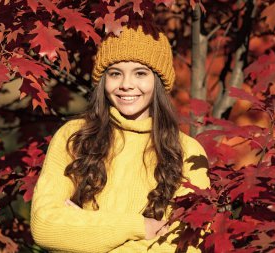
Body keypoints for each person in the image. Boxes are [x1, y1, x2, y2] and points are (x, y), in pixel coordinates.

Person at [30, 23, 210, 253]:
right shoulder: (74, 136)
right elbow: (45, 226)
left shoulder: (188, 152)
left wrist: (84, 234)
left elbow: (186, 246)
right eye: (115, 73)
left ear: (158, 80)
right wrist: (139, 226)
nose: (126, 85)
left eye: (140, 73)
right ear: (103, 80)